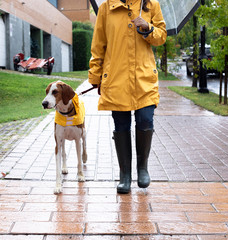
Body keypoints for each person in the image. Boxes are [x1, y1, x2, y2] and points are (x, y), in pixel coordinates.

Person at [88, 0, 167, 193]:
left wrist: (148, 28)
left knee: (145, 120)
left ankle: (142, 168)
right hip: (116, 77)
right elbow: (99, 45)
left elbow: (161, 37)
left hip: (144, 77)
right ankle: (125, 175)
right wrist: (95, 76)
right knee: (121, 125)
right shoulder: (107, 8)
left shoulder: (151, 5)